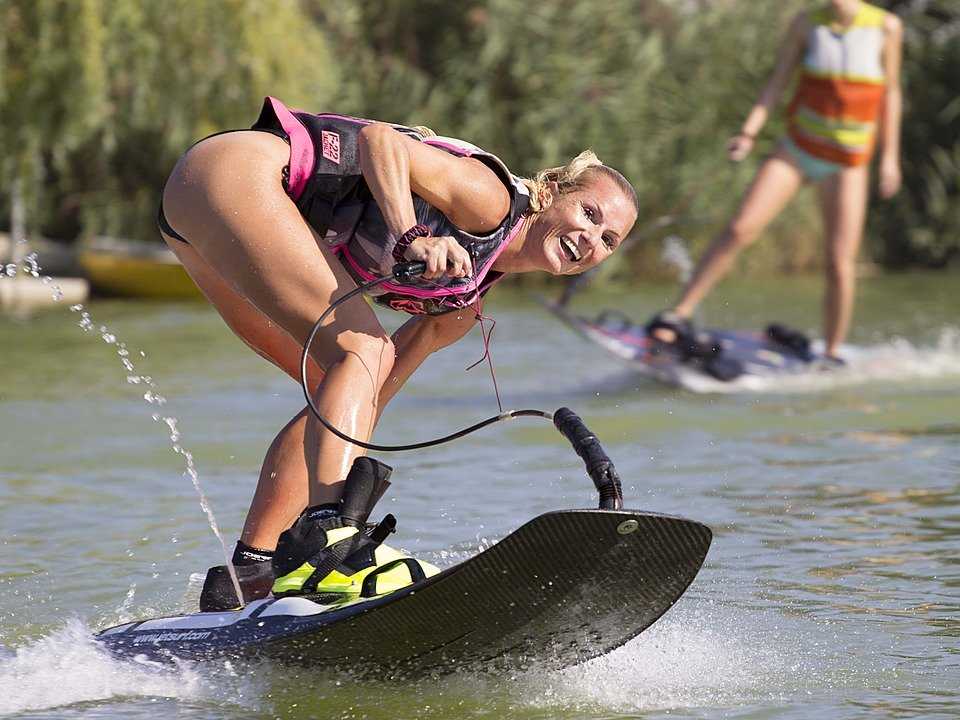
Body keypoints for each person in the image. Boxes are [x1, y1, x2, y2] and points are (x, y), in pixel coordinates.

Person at [159, 96, 638, 610]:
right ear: (551, 194)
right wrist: (412, 235)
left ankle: (250, 570)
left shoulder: (462, 304)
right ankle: (331, 540)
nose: (590, 239)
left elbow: (368, 398)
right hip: (237, 173)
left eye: (608, 241)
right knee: (362, 349)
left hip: (192, 214)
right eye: (588, 214)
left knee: (340, 388)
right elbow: (380, 141)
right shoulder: (491, 201)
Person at [648, 0, 902, 363]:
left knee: (838, 262)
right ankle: (679, 314)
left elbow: (891, 94)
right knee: (739, 229)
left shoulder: (886, 27)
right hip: (798, 149)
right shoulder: (805, 23)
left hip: (848, 162)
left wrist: (890, 158)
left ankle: (831, 353)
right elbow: (777, 84)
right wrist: (748, 133)